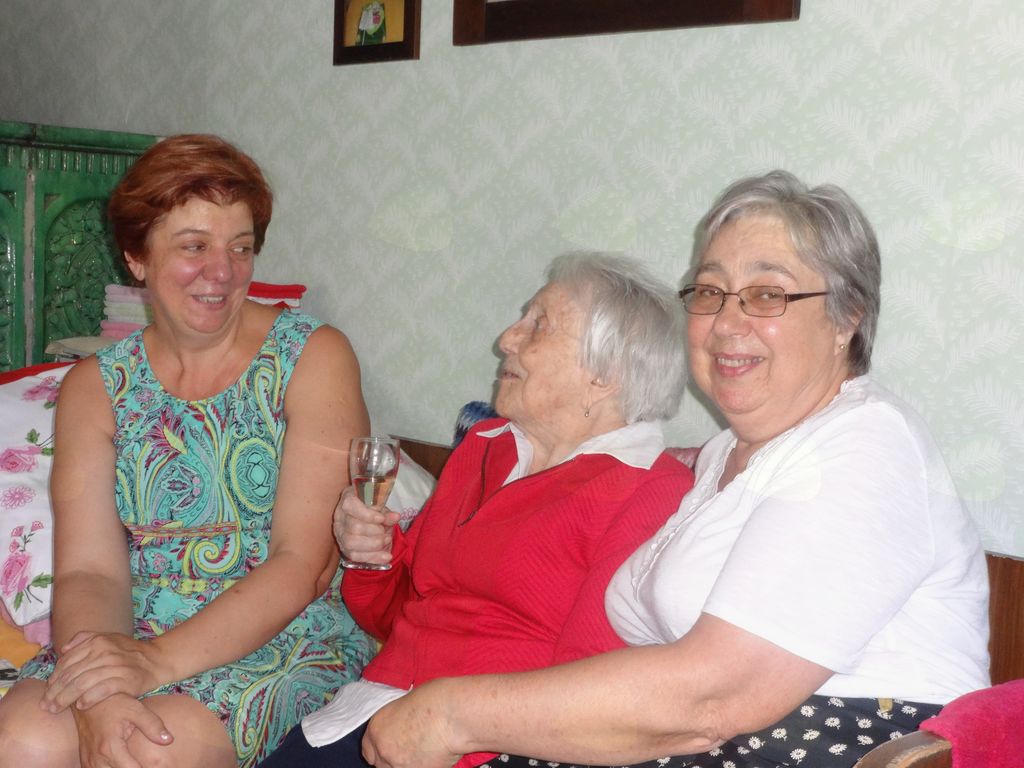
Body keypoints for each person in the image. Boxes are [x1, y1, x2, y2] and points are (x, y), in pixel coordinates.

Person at [355, 171, 991, 768]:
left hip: (838, 746)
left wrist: (453, 713)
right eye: (710, 292)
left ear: (846, 317)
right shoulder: (721, 460)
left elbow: (714, 697)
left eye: (767, 294)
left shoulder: (865, 444)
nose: (727, 322)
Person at [0, 134, 376, 768]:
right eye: (194, 247)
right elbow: (90, 572)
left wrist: (151, 664)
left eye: (240, 248)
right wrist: (102, 688)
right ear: (136, 257)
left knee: (150, 750)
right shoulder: (95, 387)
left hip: (280, 632)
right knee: (21, 739)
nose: (222, 272)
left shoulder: (313, 357)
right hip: (129, 628)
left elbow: (302, 566)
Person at [257, 252, 696, 768]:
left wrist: (448, 723)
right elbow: (398, 618)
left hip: (492, 746)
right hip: (373, 713)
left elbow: (592, 687)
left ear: (605, 374)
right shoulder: (485, 446)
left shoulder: (651, 491)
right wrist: (372, 557)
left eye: (539, 325)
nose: (507, 339)